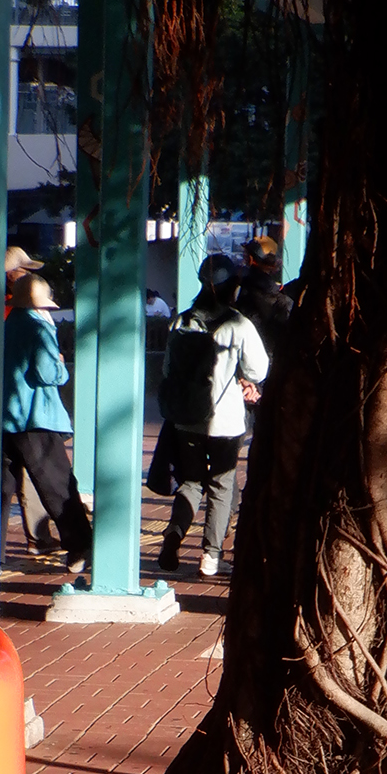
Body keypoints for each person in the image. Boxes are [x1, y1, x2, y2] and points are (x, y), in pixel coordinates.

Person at [155, 255, 269, 578]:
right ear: (233, 286)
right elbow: (258, 370)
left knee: (191, 482)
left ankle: (174, 534)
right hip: (226, 421)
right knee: (221, 486)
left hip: (187, 418)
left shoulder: (182, 321)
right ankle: (210, 557)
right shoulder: (238, 325)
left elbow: (167, 369)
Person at [1, 272, 93, 571]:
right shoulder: (39, 328)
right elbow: (47, 373)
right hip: (36, 418)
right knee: (58, 486)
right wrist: (61, 367)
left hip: (4, 419)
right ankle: (80, 548)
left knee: (0, 488)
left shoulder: (5, 325)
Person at [235, 234, 293, 365]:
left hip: (246, 362)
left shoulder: (239, 290)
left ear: (250, 259)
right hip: (274, 363)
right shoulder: (281, 298)